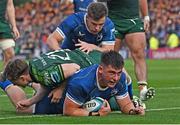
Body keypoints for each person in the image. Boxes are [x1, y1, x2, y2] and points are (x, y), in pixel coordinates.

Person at [17, 50, 145, 116]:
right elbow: (69, 111)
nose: (116, 78)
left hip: (83, 98)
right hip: (57, 102)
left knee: (115, 105)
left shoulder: (120, 78)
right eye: (112, 73)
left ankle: (33, 85)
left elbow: (125, 104)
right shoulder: (82, 82)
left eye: (118, 73)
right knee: (23, 110)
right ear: (100, 70)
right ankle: (5, 82)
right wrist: (95, 114)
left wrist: (133, 110)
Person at [106, 0, 155, 101]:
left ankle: (143, 90)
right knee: (111, 57)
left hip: (133, 19)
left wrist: (146, 16)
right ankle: (109, 89)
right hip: (114, 19)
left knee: (139, 54)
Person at [47, 2, 115, 53]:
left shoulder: (108, 25)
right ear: (87, 17)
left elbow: (109, 51)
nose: (97, 28)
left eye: (101, 24)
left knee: (116, 67)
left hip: (91, 56)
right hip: (70, 52)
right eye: (94, 24)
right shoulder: (74, 20)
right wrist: (61, 52)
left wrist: (92, 47)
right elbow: (51, 39)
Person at [0, 0, 20, 69]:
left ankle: (3, 79)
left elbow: (9, 5)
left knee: (10, 54)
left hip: (2, 24)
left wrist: (14, 26)